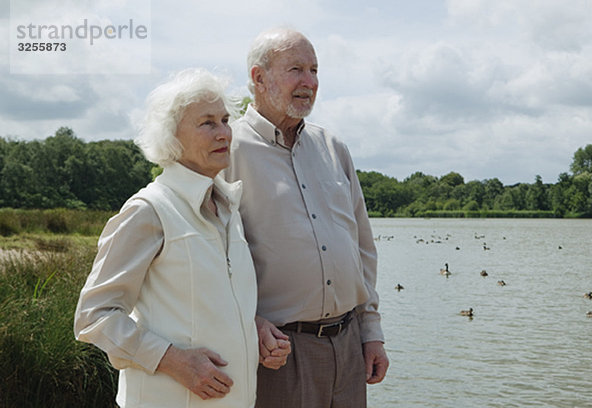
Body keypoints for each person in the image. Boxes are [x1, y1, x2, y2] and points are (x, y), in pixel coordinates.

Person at [74, 68, 287, 408]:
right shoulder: (148, 210)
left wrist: (253, 327)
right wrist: (172, 360)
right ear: (171, 137)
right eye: (207, 123)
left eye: (225, 120)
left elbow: (206, 302)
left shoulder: (228, 208)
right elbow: (94, 316)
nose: (224, 134)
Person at [224, 27, 389, 408]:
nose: (309, 82)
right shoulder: (227, 151)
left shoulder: (334, 147)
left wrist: (371, 332)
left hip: (349, 349)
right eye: (296, 69)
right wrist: (250, 323)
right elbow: (211, 257)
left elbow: (362, 247)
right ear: (258, 77)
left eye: (315, 70)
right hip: (276, 352)